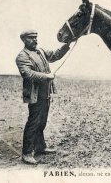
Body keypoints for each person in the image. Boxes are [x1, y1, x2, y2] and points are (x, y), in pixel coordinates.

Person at [16, 30, 72, 164]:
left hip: (45, 94)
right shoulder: (22, 56)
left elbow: (55, 55)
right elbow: (28, 74)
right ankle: (27, 153)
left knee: (42, 122)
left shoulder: (40, 51)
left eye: (36, 38)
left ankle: (40, 147)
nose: (35, 40)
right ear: (24, 40)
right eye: (32, 38)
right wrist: (47, 76)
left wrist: (67, 45)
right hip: (35, 95)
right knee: (33, 123)